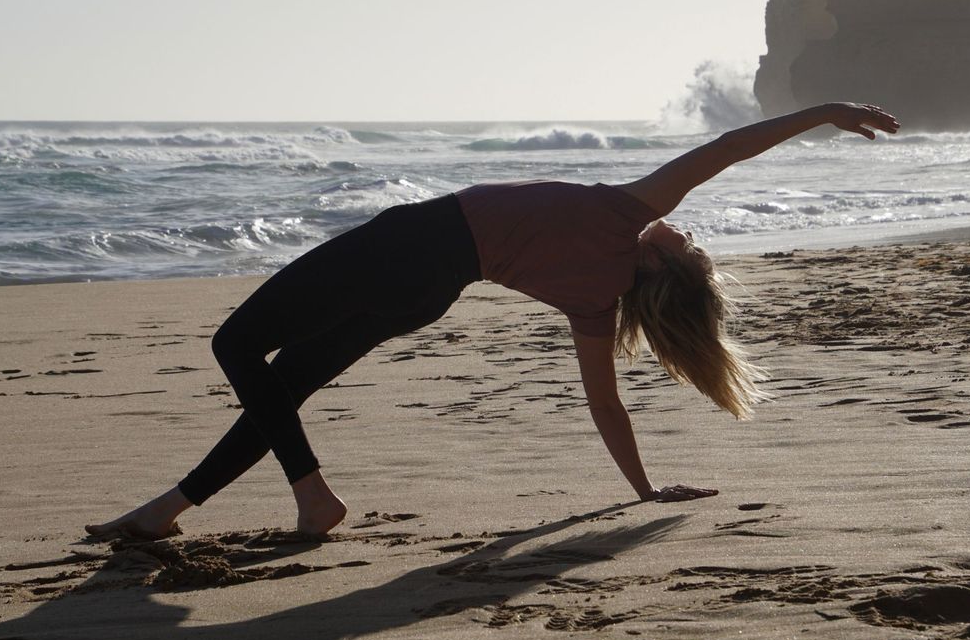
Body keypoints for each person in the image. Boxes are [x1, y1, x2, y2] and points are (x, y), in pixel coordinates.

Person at [86, 102, 900, 540]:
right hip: (429, 293)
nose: (688, 230)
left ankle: (311, 496)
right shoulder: (597, 303)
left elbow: (727, 146)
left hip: (407, 249)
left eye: (689, 244)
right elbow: (605, 407)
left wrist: (823, 112)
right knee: (285, 380)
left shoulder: (628, 215)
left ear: (666, 265)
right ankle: (171, 509)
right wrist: (644, 490)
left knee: (235, 344)